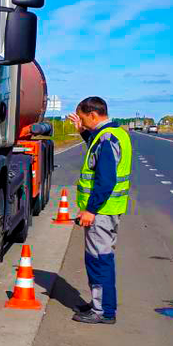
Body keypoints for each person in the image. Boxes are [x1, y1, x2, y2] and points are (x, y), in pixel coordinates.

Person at [66, 97, 132, 325]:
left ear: (93, 115)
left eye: (83, 119)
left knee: (99, 260)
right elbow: (99, 158)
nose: (82, 123)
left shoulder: (106, 138)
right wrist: (83, 134)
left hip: (101, 212)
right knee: (101, 258)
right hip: (109, 210)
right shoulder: (115, 134)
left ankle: (102, 311)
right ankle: (101, 305)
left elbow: (105, 180)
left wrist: (90, 210)